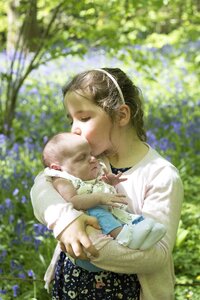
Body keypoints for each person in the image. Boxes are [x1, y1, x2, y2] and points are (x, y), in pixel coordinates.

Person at [31, 68, 183, 300]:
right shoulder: (87, 159)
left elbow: (157, 255)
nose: (74, 129)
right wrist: (66, 223)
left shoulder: (160, 175)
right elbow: (41, 187)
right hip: (72, 285)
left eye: (83, 118)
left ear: (121, 115)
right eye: (70, 119)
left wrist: (84, 241)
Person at [42, 132, 166, 273]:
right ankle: (126, 238)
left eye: (91, 154)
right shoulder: (63, 180)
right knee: (98, 212)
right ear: (57, 168)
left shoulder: (90, 171)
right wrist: (99, 198)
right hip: (89, 230)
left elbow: (98, 184)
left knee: (125, 215)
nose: (93, 159)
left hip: (108, 218)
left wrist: (110, 182)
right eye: (82, 158)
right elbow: (74, 201)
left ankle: (144, 232)